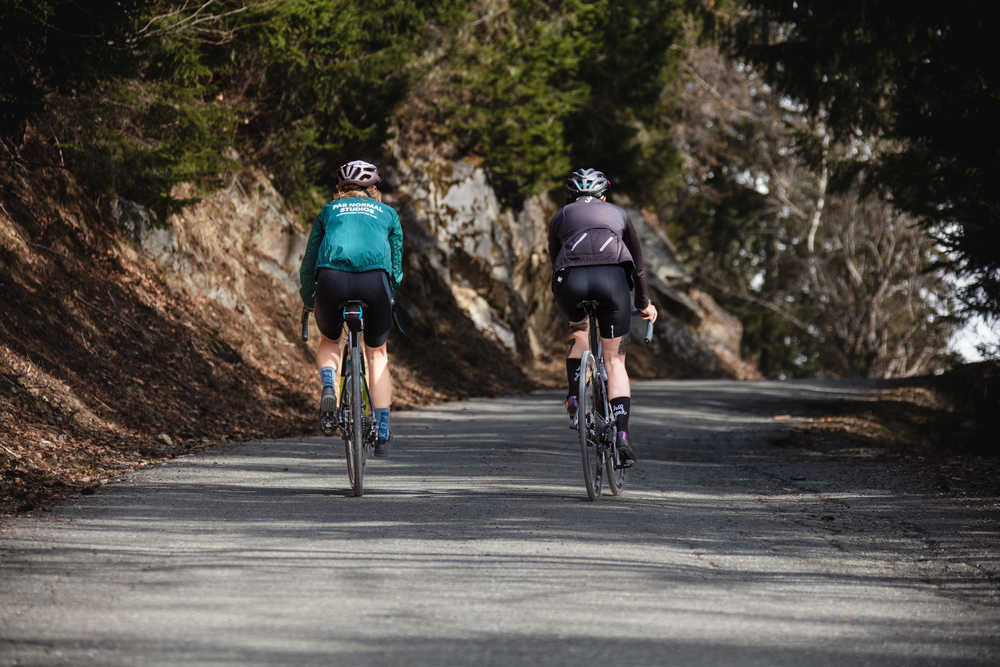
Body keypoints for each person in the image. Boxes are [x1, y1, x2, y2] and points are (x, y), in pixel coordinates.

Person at [548, 167, 657, 466]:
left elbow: (553, 257)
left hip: (570, 281)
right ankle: (621, 433)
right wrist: (644, 302)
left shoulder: (561, 216)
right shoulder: (619, 214)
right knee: (614, 361)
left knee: (580, 332)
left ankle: (573, 395)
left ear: (571, 196)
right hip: (612, 282)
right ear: (603, 195)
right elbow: (638, 265)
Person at [299, 160, 403, 457]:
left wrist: (309, 299)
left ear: (339, 189)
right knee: (377, 352)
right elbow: (395, 267)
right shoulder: (388, 214)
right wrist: (389, 296)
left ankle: (330, 385)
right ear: (374, 189)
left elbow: (309, 262)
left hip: (331, 279)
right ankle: (381, 429)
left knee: (331, 339)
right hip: (374, 283)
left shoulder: (328, 212)